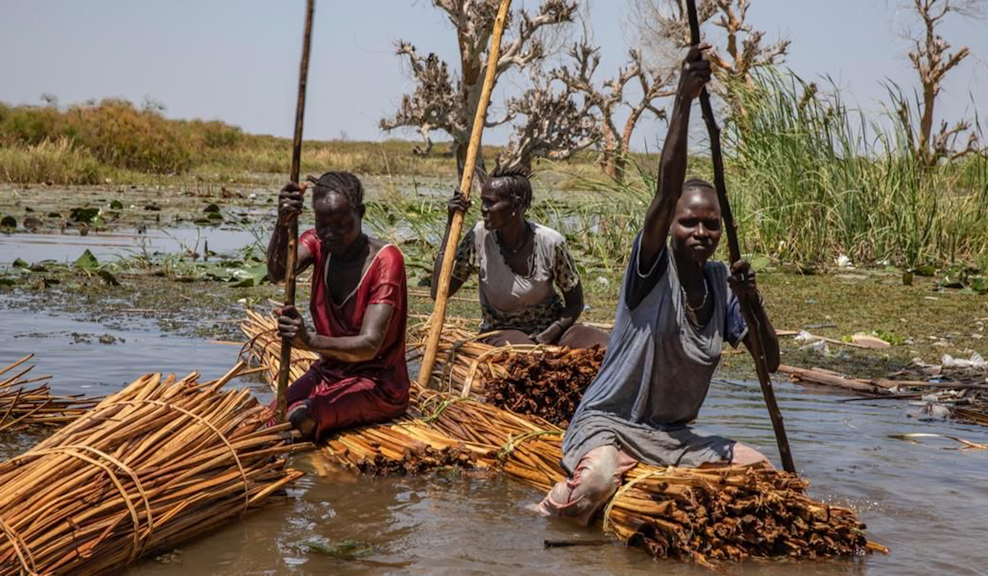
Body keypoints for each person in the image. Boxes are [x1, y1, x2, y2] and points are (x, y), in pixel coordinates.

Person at [536, 44, 781, 524]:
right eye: (690, 223)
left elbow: (768, 361)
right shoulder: (651, 268)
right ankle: (539, 515)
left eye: (711, 226)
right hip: (611, 426)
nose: (702, 234)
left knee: (764, 476)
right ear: (671, 225)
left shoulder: (721, 286)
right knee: (595, 484)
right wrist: (684, 101)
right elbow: (666, 191)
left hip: (672, 437)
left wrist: (753, 302)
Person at [267, 171, 410, 440]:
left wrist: (309, 340)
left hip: (378, 385)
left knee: (298, 418)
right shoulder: (317, 243)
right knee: (268, 417)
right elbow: (279, 273)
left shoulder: (385, 260)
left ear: (361, 214)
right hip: (328, 373)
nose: (332, 234)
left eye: (343, 224)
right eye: (324, 225)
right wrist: (282, 222)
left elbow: (369, 346)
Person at [432, 165, 608, 349]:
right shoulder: (479, 236)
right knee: (526, 354)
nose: (484, 209)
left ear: (516, 205)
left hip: (552, 329)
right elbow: (438, 292)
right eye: (483, 202)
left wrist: (548, 334)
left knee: (607, 347)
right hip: (501, 332)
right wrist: (450, 225)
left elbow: (575, 304)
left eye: (491, 203)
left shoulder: (551, 242)